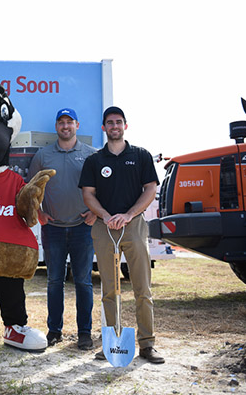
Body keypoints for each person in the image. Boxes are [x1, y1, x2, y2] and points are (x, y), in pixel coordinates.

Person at [79, 106, 164, 364]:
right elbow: (88, 194)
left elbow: (150, 190)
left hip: (134, 226)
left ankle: (147, 345)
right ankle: (112, 343)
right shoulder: (94, 161)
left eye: (118, 122)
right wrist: (105, 215)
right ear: (103, 128)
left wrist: (128, 215)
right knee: (110, 289)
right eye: (109, 123)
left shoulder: (140, 156)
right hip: (105, 228)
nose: (114, 126)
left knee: (142, 288)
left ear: (125, 126)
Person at [27, 108, 97, 350]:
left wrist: (95, 212)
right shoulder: (43, 155)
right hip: (53, 229)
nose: (65, 126)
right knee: (54, 281)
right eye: (61, 122)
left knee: (83, 282)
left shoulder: (90, 154)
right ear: (56, 126)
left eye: (69, 122)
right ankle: (54, 331)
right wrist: (38, 212)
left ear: (77, 125)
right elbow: (31, 189)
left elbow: (102, 188)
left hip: (82, 228)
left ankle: (84, 333)